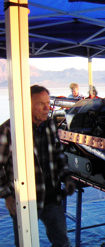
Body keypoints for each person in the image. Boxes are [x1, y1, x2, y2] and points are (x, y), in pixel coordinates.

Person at [0, 85, 75, 246]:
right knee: (25, 243)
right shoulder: (9, 130)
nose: (47, 108)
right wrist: (7, 195)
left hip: (52, 196)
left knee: (62, 242)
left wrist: (67, 177)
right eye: (41, 104)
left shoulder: (50, 126)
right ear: (27, 104)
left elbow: (59, 155)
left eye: (48, 103)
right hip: (25, 200)